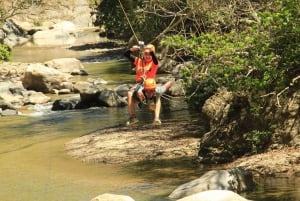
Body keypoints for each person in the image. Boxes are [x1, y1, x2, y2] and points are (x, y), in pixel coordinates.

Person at [124, 43, 160, 123]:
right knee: (129, 94)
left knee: (155, 97)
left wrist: (148, 49)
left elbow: (154, 58)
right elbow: (126, 54)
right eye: (145, 53)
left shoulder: (154, 63)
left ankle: (156, 118)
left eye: (149, 54)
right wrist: (133, 49)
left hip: (150, 85)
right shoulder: (138, 61)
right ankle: (133, 117)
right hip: (139, 85)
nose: (147, 56)